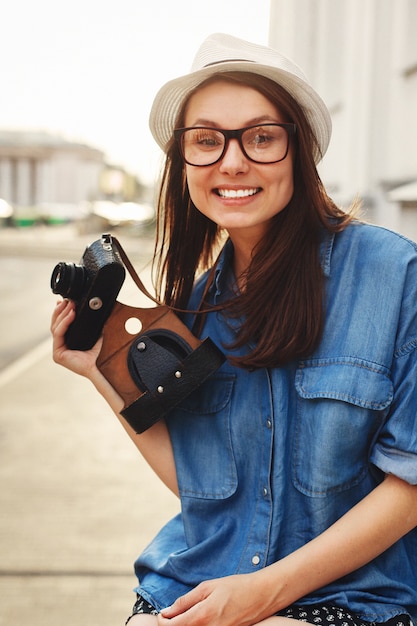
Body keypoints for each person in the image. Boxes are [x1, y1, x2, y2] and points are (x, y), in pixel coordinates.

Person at [51, 33, 417, 626]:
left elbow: (410, 488)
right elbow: (205, 491)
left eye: (261, 136)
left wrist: (265, 594)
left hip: (354, 599)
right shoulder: (193, 308)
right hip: (198, 580)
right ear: (184, 162)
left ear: (299, 151)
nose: (232, 161)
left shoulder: (394, 277)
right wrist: (100, 371)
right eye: (205, 141)